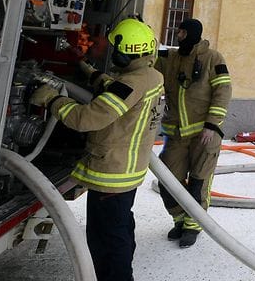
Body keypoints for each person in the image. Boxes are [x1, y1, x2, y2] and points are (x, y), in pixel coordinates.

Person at [31, 18, 164, 281]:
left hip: (111, 176)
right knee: (121, 231)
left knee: (106, 243)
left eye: (116, 49)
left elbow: (86, 119)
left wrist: (51, 99)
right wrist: (88, 71)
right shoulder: (150, 76)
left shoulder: (132, 83)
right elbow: (119, 90)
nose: (112, 53)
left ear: (127, 53)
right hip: (127, 172)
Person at [156, 18, 232, 247]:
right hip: (177, 134)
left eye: (181, 31)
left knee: (198, 181)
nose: (178, 35)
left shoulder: (213, 58)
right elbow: (149, 61)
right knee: (168, 179)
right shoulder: (171, 58)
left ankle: (193, 225)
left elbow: (223, 91)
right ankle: (179, 219)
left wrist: (211, 124)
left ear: (190, 33)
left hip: (204, 134)